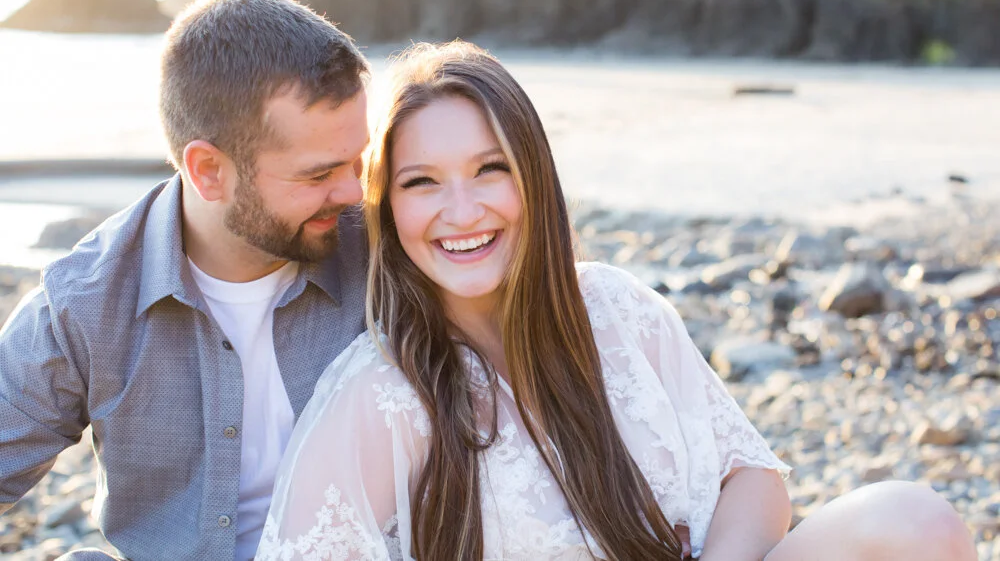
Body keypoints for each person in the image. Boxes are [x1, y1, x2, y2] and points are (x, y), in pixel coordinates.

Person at [258, 41, 978, 561]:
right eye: (422, 182)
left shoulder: (614, 308)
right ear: (386, 208)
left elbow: (752, 477)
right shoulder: (382, 396)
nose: (462, 210)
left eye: (489, 169)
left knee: (915, 520)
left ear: (533, 178)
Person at [0, 0, 371, 561]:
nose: (353, 193)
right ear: (208, 171)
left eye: (358, 160)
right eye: (318, 174)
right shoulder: (86, 302)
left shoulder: (386, 252)